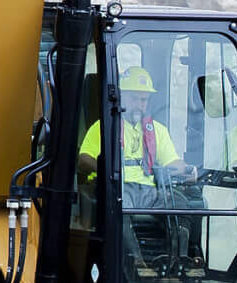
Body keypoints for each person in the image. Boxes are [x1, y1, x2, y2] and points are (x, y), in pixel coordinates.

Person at [78, 65, 187, 197]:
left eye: (144, 100)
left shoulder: (158, 130)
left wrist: (184, 169)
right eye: (134, 99)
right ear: (121, 96)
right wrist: (107, 171)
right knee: (121, 209)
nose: (139, 104)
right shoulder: (104, 127)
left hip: (149, 190)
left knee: (182, 204)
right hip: (115, 189)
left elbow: (172, 162)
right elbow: (84, 159)